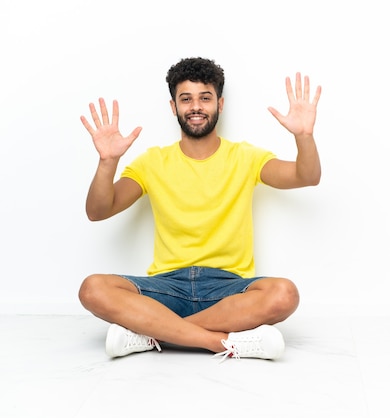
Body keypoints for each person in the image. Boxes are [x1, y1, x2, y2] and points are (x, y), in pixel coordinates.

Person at [78, 57, 321, 361]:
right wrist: (106, 163)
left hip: (229, 290)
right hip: (167, 288)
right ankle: (220, 342)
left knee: (285, 294)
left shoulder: (245, 157)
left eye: (205, 98)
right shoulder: (151, 162)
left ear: (220, 104)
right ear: (173, 107)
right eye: (186, 99)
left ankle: (150, 334)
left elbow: (306, 176)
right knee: (92, 289)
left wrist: (304, 137)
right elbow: (98, 211)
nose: (195, 106)